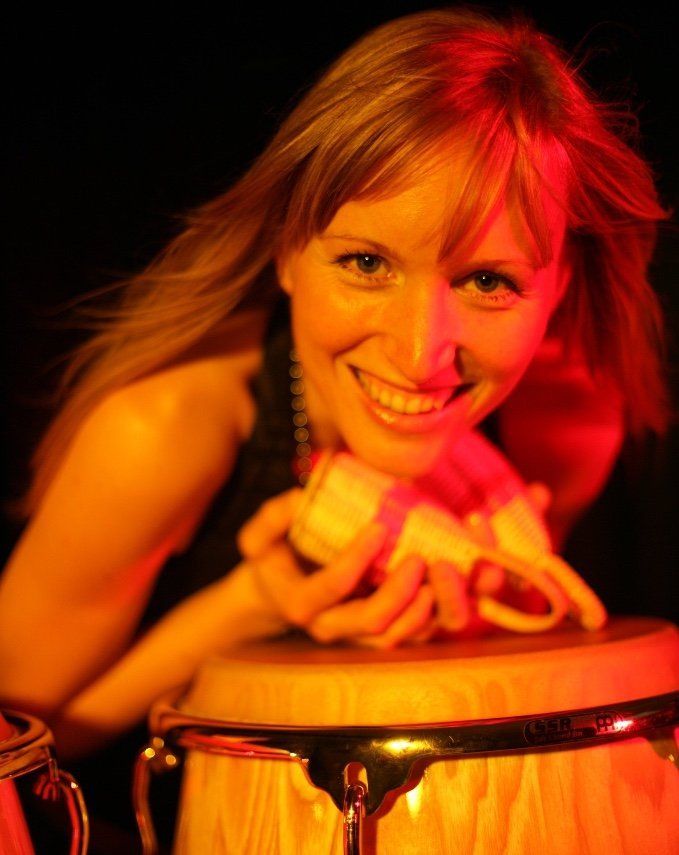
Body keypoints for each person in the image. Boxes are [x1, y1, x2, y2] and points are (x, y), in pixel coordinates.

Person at [0, 6, 669, 848]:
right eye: (365, 262)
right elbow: (14, 754)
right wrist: (243, 607)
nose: (420, 354)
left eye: (487, 281)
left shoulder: (566, 426)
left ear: (560, 282)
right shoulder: (161, 429)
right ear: (286, 250)